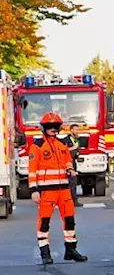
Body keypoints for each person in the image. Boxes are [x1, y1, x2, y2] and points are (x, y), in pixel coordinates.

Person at [27, 112, 88, 265]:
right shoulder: (37, 146)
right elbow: (32, 170)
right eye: (50, 127)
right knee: (44, 222)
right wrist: (34, 190)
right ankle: (45, 252)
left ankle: (71, 249)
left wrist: (70, 169)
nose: (53, 129)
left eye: (56, 126)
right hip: (47, 191)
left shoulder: (62, 146)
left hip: (64, 190)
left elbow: (67, 161)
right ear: (44, 128)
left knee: (69, 220)